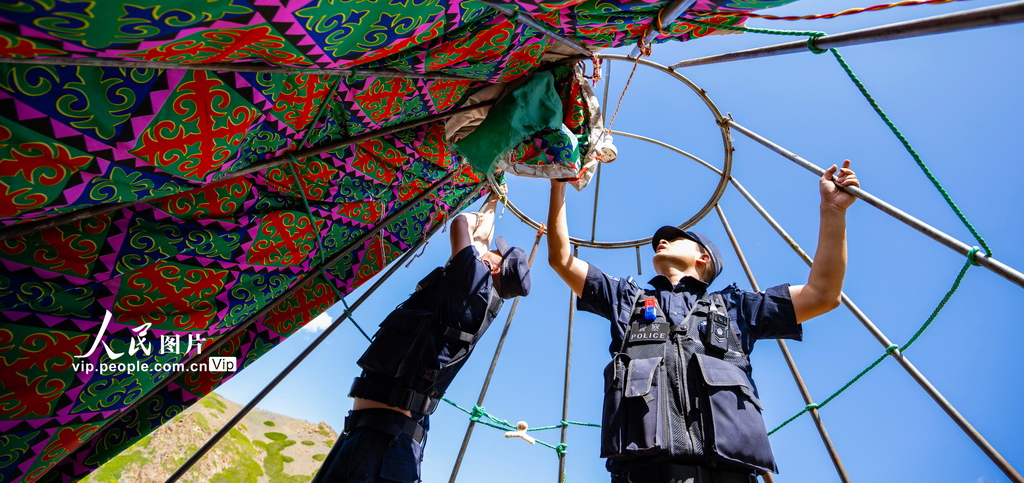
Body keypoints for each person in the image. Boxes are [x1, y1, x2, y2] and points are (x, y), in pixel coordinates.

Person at [545, 161, 859, 483]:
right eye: (659, 242)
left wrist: (833, 211)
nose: (660, 242)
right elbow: (561, 259)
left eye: (675, 239)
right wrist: (559, 185)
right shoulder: (627, 298)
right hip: (646, 475)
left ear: (703, 257)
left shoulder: (736, 307)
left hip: (729, 475)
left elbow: (823, 294)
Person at [313, 195, 531, 483]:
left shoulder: (472, 280)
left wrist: (481, 212)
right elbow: (478, 243)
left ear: (493, 269)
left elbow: (461, 223)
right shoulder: (477, 298)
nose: (488, 250)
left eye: (495, 253)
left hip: (381, 442)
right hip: (382, 437)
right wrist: (494, 197)